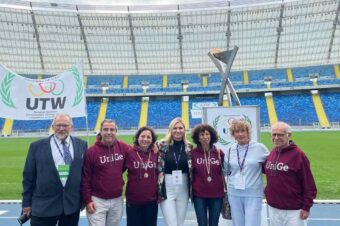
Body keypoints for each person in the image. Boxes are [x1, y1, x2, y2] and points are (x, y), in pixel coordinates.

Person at [21, 113, 87, 226]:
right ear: (53, 127)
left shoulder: (82, 144)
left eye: (65, 125)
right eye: (58, 125)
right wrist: (26, 202)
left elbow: (85, 174)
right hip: (44, 205)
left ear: (71, 127)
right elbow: (28, 176)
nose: (61, 128)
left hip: (71, 205)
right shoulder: (36, 146)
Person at [264, 121, 317, 226]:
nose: (276, 138)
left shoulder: (299, 155)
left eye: (280, 135)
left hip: (294, 210)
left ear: (289, 135)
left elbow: (309, 184)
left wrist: (306, 207)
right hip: (274, 207)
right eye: (274, 134)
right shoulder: (273, 152)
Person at [81, 119, 130, 226]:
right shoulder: (91, 151)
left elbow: (136, 153)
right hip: (97, 199)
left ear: (116, 131)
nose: (109, 132)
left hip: (117, 198)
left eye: (112, 130)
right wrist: (88, 200)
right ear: (101, 131)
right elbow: (86, 178)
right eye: (106, 129)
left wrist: (155, 145)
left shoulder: (123, 147)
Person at [224, 120, 269, 226]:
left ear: (248, 132)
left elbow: (272, 164)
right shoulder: (230, 150)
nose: (240, 134)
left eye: (243, 131)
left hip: (253, 193)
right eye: (237, 131)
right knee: (237, 223)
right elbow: (226, 170)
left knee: (252, 223)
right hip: (234, 193)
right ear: (233, 134)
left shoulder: (259, 148)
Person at [158, 117, 193, 226]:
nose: (178, 131)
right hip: (167, 187)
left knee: (180, 223)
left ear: (184, 130)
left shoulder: (189, 147)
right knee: (171, 223)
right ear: (170, 130)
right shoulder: (161, 145)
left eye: (180, 128)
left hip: (183, 188)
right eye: (175, 128)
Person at [191, 124, 225, 226]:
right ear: (198, 138)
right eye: (201, 134)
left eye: (207, 134)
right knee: (201, 223)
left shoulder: (219, 153)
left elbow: (226, 170)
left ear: (211, 136)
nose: (205, 137)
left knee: (214, 223)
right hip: (199, 195)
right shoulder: (193, 153)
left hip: (217, 195)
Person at [125, 126, 159, 226]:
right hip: (133, 200)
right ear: (137, 138)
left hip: (151, 201)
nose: (145, 139)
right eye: (142, 136)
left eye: (148, 137)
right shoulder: (129, 152)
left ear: (152, 140)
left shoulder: (156, 153)